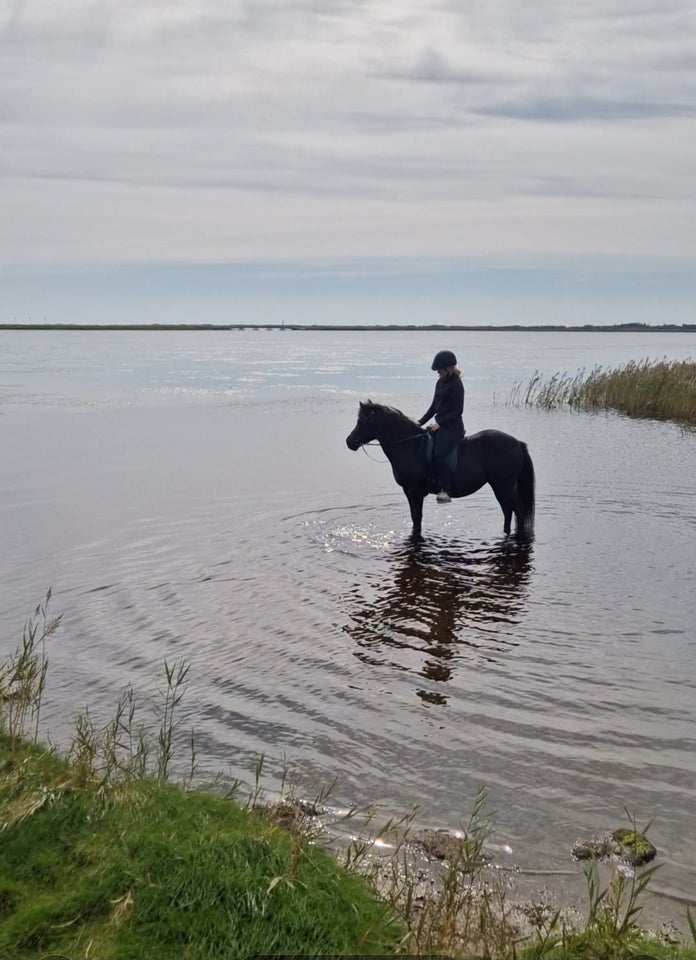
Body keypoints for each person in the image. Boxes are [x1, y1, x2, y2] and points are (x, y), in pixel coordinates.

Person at [418, 349, 465, 503]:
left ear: (449, 368)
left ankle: (446, 490)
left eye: (440, 369)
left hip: (452, 428)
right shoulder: (440, 382)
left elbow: (458, 411)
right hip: (439, 425)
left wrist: (440, 423)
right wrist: (420, 422)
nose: (438, 372)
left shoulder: (457, 385)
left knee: (439, 453)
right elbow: (434, 407)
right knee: (423, 446)